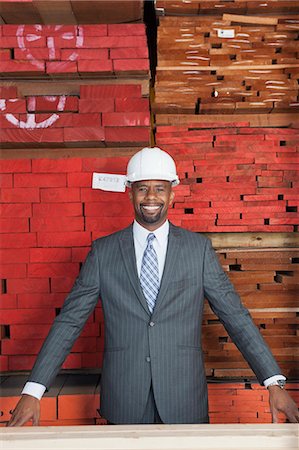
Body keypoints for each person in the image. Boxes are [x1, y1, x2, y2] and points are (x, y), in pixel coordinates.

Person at [8, 147, 298, 426]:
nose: (151, 196)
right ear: (130, 191)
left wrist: (273, 382)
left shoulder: (197, 251)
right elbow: (69, 321)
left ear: (172, 194)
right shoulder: (104, 252)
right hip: (125, 401)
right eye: (142, 187)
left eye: (159, 188)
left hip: (184, 401)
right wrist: (33, 390)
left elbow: (235, 316)